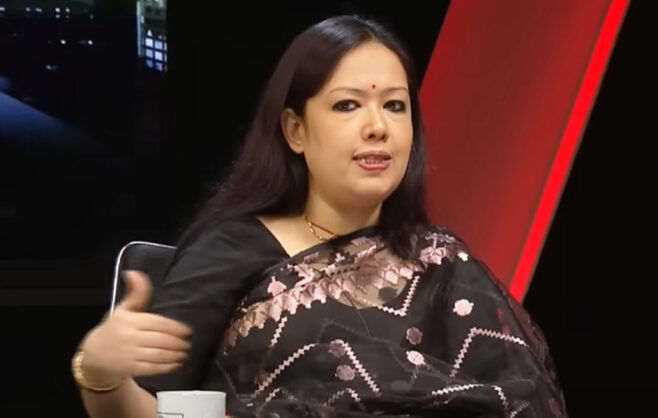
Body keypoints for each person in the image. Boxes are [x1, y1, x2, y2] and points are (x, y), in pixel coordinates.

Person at [72, 15, 567, 418]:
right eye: (348, 105)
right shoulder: (232, 251)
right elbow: (161, 413)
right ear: (295, 131)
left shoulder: (441, 265)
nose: (377, 126)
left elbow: (521, 401)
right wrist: (100, 375)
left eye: (395, 106)